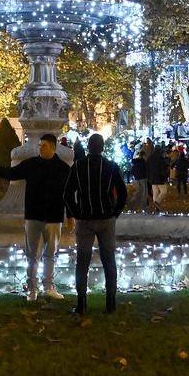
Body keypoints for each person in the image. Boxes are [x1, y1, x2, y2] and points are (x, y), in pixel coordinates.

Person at [0, 134, 72, 301]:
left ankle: (49, 286)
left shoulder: (63, 168)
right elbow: (12, 173)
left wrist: (70, 216)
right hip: (34, 216)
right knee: (32, 255)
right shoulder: (32, 164)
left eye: (44, 146)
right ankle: (32, 289)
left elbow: (68, 194)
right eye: (40, 145)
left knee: (50, 254)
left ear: (53, 147)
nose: (40, 148)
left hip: (54, 217)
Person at [63, 132, 127, 316]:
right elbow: (122, 193)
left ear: (88, 147)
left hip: (85, 219)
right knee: (109, 261)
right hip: (106, 219)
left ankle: (82, 304)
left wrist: (76, 213)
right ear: (103, 148)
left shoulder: (78, 166)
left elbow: (67, 194)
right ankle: (111, 302)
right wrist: (115, 213)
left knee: (82, 262)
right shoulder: (111, 167)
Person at [147, 141, 170, 210]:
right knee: (164, 191)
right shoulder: (161, 158)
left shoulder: (150, 158)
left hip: (152, 178)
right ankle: (157, 202)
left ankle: (156, 207)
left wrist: (149, 176)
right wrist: (166, 176)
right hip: (159, 177)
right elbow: (164, 168)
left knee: (155, 192)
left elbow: (147, 167)